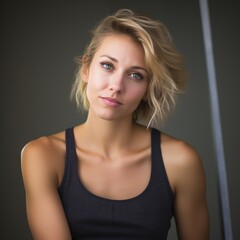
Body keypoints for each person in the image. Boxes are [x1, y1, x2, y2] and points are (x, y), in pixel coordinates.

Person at [21, 9, 209, 240]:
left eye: (136, 75)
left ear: (148, 89)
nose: (117, 85)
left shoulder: (180, 161)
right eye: (108, 66)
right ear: (86, 69)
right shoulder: (42, 155)